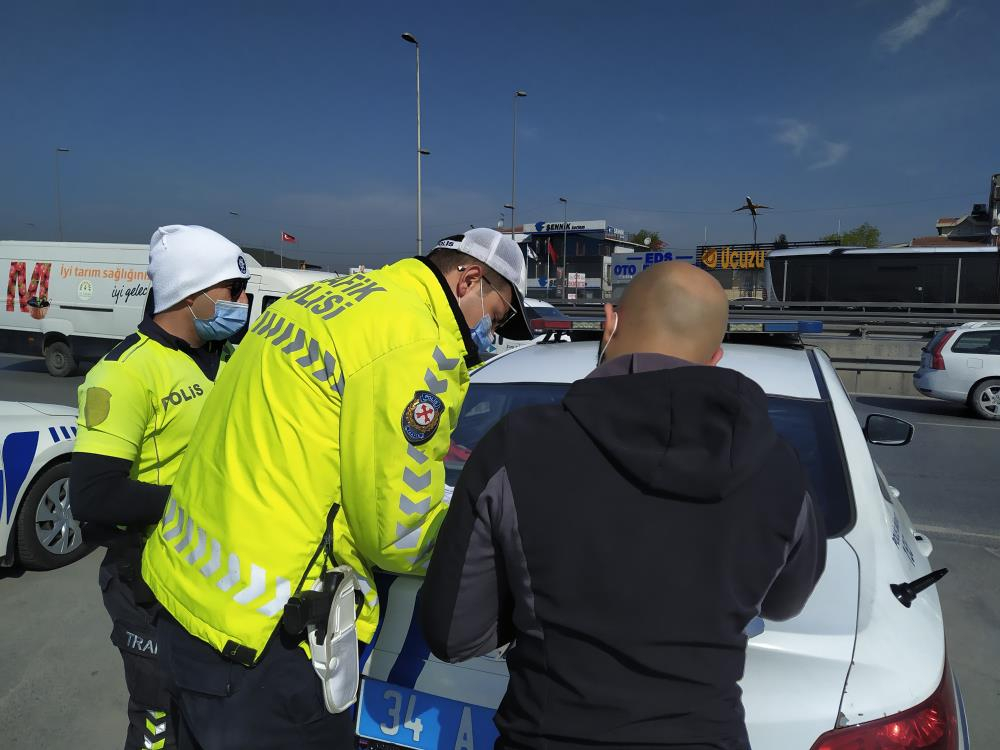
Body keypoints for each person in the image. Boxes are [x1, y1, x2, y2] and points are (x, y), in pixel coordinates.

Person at [140, 228, 531, 749]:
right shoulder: (418, 341)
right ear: (469, 280)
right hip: (268, 632)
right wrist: (484, 549)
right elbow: (397, 531)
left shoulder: (324, 299)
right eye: (500, 313)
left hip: (184, 586)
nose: (495, 331)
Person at [421, 261, 827, 750]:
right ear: (715, 357)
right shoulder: (780, 468)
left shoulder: (518, 447)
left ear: (609, 322)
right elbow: (784, 602)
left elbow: (453, 636)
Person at [72, 225, 251, 750]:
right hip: (143, 581)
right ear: (192, 294)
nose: (244, 303)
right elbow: (94, 495)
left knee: (209, 711)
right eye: (233, 293)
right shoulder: (125, 373)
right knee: (157, 719)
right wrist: (201, 500)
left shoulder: (232, 359)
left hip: (212, 571)